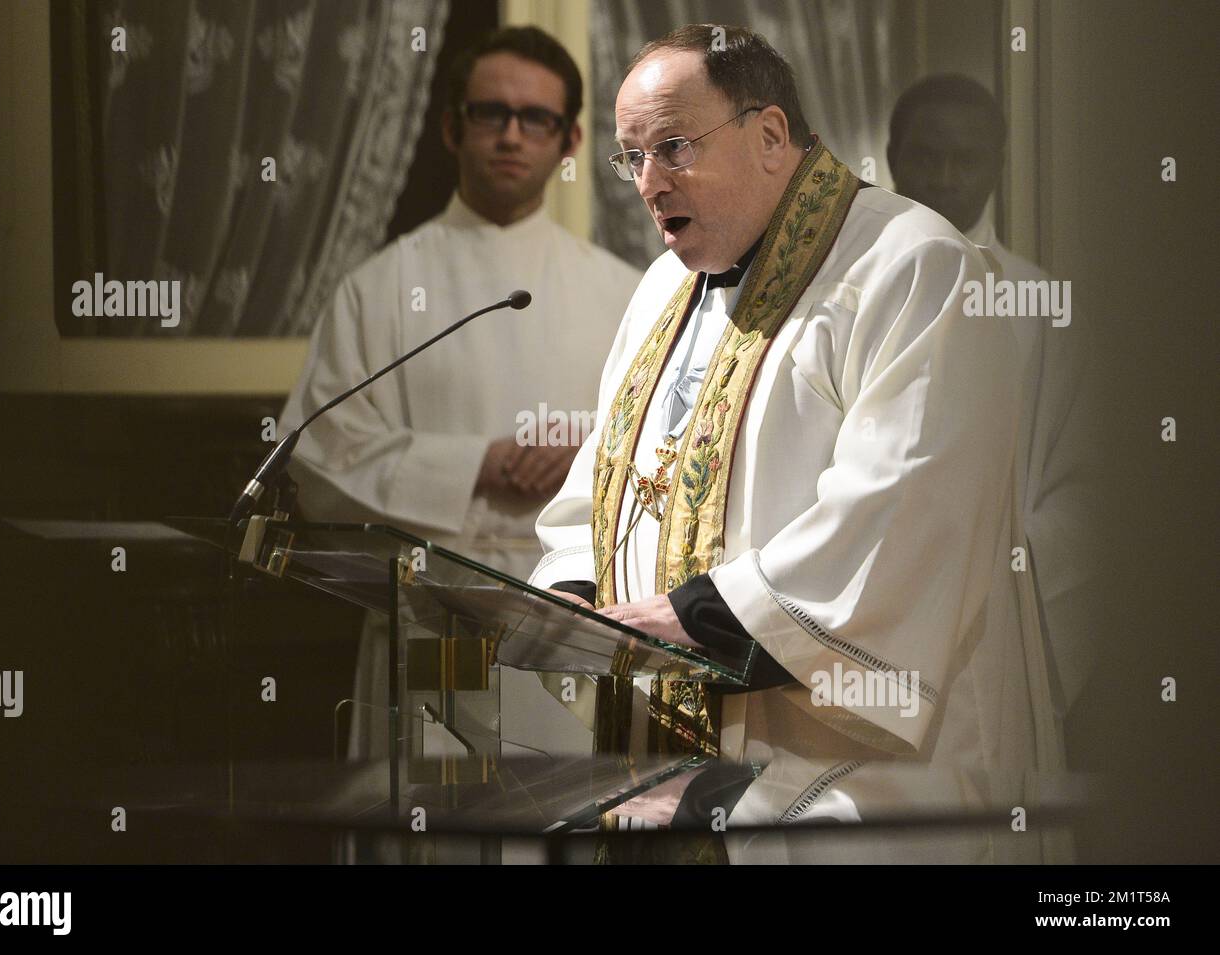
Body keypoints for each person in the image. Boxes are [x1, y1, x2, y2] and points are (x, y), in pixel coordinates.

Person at [529, 25, 1069, 862]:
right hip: (668, 770)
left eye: (672, 147)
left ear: (772, 135)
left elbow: (904, 511)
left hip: (842, 771)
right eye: (629, 157)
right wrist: (567, 593)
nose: (647, 183)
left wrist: (695, 618)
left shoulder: (914, 264)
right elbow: (597, 484)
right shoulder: (662, 290)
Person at [279, 26, 641, 768]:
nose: (512, 135)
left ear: (569, 140)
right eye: (490, 113)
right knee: (435, 825)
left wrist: (585, 457)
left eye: (535, 118)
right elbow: (316, 455)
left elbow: (666, 444)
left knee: (560, 817)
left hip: (567, 621)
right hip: (428, 617)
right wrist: (478, 464)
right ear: (452, 126)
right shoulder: (378, 289)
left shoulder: (625, 293)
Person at [888, 74, 1096, 742]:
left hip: (1000, 626)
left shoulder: (1045, 311)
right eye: (926, 155)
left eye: (967, 158)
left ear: (999, 164)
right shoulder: (845, 293)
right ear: (892, 155)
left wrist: (1006, 563)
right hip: (873, 616)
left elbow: (1088, 486)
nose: (946, 177)